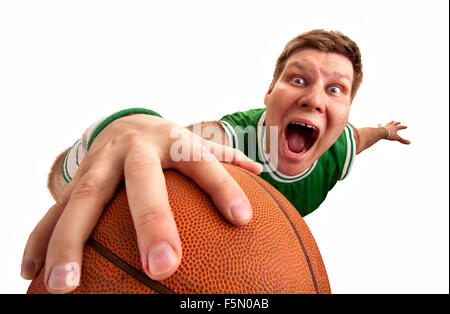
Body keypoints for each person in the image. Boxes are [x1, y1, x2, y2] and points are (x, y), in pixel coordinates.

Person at [20, 29, 410, 293]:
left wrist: (385, 132)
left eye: (336, 89)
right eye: (297, 79)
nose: (313, 98)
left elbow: (360, 138)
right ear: (269, 90)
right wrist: (123, 132)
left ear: (346, 110)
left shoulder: (339, 147)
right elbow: (158, 149)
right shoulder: (226, 141)